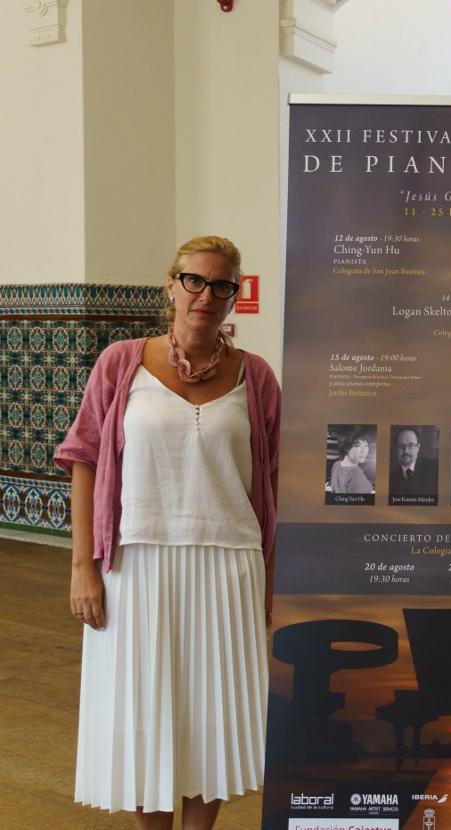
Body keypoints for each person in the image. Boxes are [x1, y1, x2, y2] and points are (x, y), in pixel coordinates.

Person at [56, 235, 280, 830]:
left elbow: (277, 480)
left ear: (235, 295)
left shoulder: (255, 377)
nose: (206, 295)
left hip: (230, 562)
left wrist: (275, 580)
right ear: (171, 285)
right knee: (143, 715)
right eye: (194, 281)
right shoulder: (121, 361)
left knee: (214, 718)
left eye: (222, 285)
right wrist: (83, 565)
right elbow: (82, 458)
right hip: (137, 561)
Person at [389, 427, 437, 499]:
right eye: (401, 446)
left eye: (410, 445)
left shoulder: (435, 469)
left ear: (418, 447)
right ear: (396, 448)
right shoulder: (390, 478)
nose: (405, 451)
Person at [328, 428, 373, 494]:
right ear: (346, 447)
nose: (363, 451)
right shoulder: (356, 473)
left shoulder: (336, 464)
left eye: (366, 445)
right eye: (357, 446)